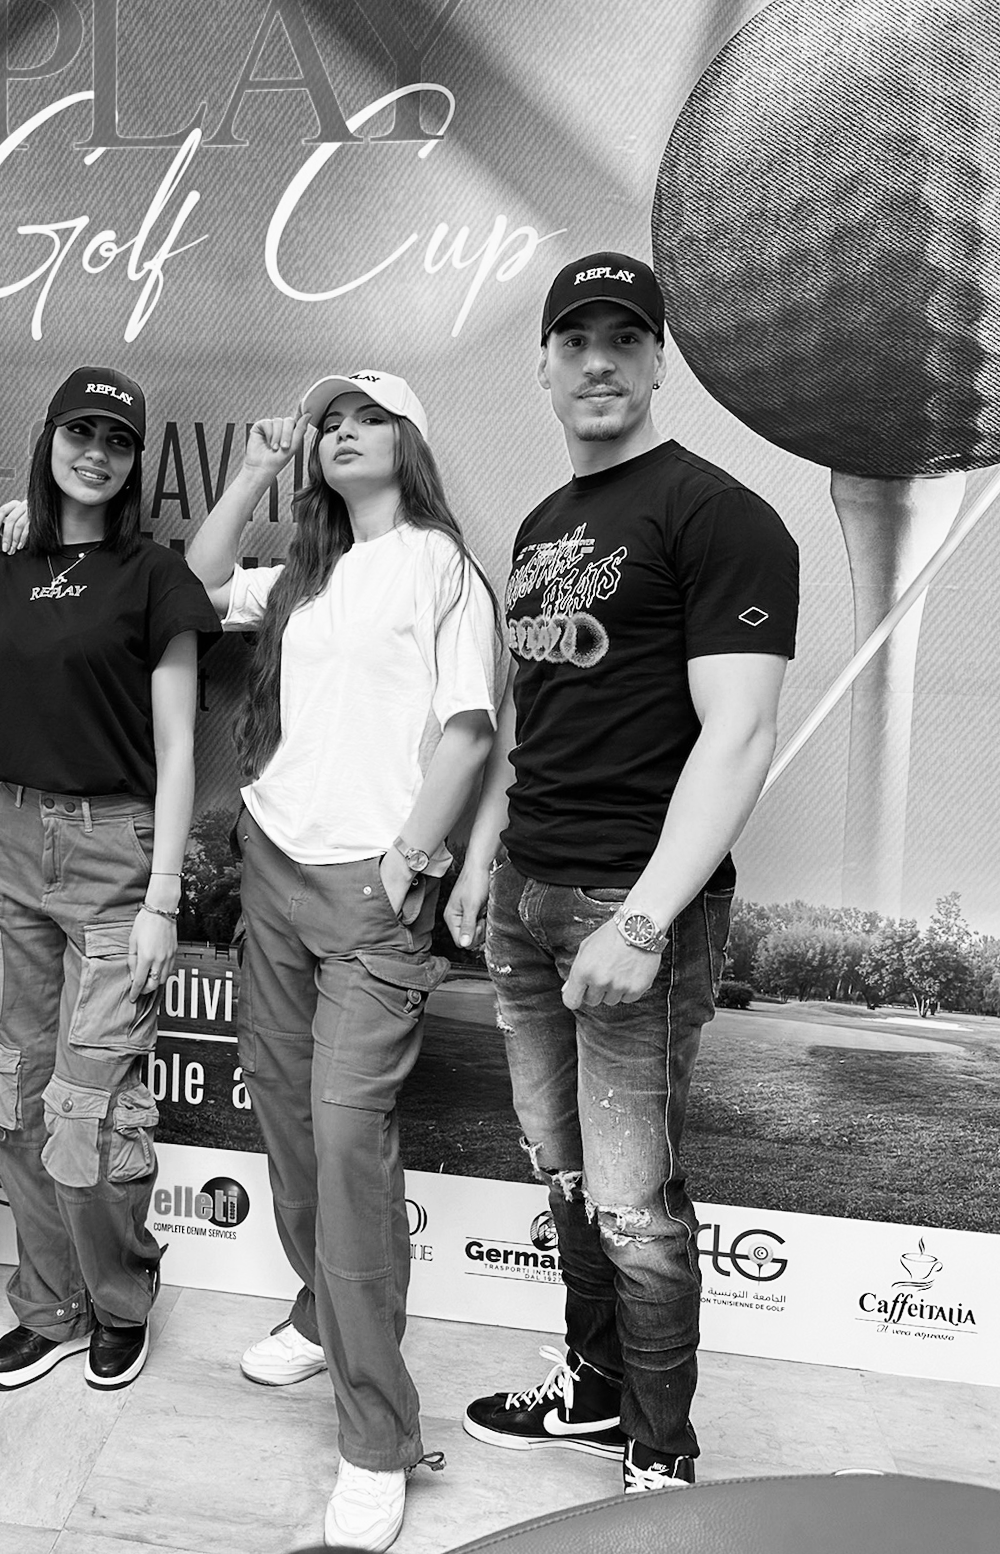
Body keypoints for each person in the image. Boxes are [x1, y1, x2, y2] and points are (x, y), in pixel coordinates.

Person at [448, 253, 800, 1491]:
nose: (597, 361)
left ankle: (661, 1458)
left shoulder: (719, 516)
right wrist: (485, 859)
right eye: (574, 340)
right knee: (565, 1175)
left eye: (623, 339)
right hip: (529, 897)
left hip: (626, 905)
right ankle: (594, 1390)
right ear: (543, 366)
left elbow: (738, 735)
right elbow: (533, 712)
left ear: (658, 361)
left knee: (636, 1206)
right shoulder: (543, 524)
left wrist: (642, 922)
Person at [187, 372, 499, 1552]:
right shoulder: (306, 576)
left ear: (408, 441)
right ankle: (320, 1311)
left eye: (368, 418)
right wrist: (253, 472)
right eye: (331, 422)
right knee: (281, 1110)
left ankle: (376, 1439)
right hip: (272, 865)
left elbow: (468, 730)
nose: (344, 433)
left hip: (372, 890)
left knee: (345, 1139)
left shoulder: (439, 565)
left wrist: (412, 856)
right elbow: (198, 585)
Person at [0, 367, 219, 1396]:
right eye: (79, 432)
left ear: (134, 460)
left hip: (114, 853)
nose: (94, 453)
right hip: (11, 842)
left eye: (115, 439)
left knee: (88, 1107)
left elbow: (179, 747)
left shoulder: (154, 577)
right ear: (48, 440)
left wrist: (162, 898)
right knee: (15, 1096)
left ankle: (119, 1300)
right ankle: (48, 1307)